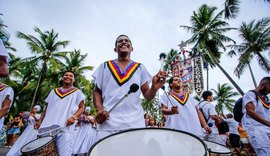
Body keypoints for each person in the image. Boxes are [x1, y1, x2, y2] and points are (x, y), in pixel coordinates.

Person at [92, 34, 166, 142]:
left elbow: (147, 95)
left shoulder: (140, 68)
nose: (123, 42)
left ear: (132, 48)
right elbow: (97, 91)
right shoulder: (104, 66)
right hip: (107, 122)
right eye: (120, 41)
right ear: (115, 49)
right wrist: (100, 109)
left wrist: (154, 88)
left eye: (127, 41)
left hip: (134, 122)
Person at [34, 70, 85, 156]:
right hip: (48, 126)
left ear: (74, 80)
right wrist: (40, 121)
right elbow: (46, 108)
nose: (68, 77)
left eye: (71, 76)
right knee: (44, 153)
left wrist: (73, 117)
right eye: (66, 75)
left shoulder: (77, 92)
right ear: (62, 77)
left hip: (65, 127)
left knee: (64, 153)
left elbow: (82, 108)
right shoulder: (54, 91)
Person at [242, 77, 270, 156]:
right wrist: (268, 123)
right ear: (262, 85)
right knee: (265, 152)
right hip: (256, 129)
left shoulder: (265, 99)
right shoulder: (250, 94)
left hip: (267, 129)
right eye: (269, 88)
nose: (269, 91)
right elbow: (250, 111)